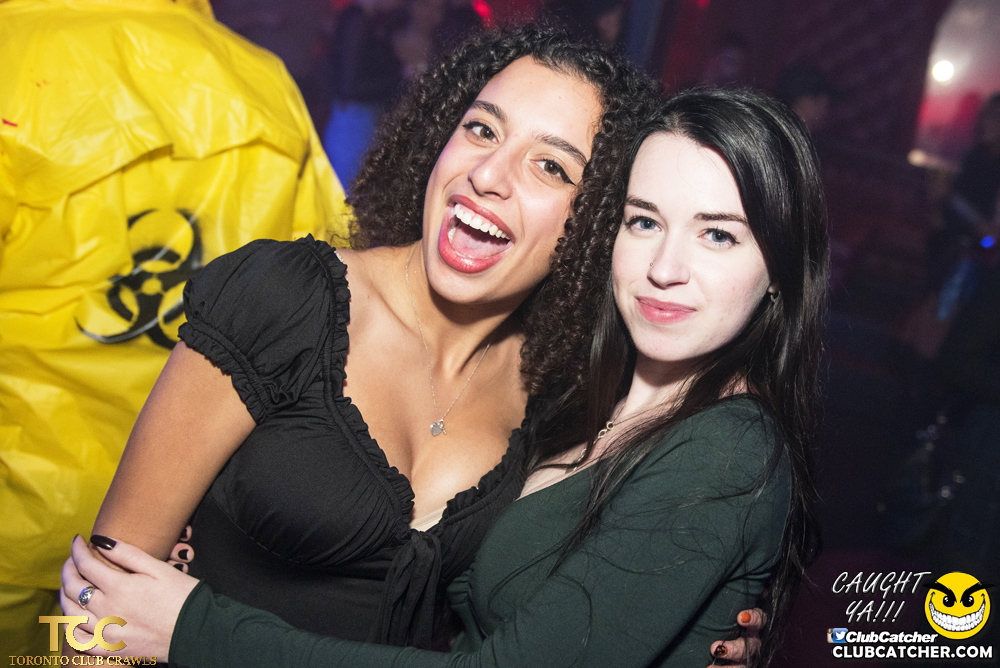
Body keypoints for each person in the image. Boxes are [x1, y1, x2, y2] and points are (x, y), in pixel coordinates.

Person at [63, 87, 828, 667]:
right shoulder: (573, 397)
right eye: (644, 220)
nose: (665, 266)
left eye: (718, 235)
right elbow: (97, 604)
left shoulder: (718, 448)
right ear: (609, 232)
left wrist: (196, 629)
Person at [83, 23, 673, 653]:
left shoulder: (556, 392)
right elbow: (99, 602)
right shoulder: (285, 300)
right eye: (482, 130)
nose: (488, 174)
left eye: (551, 166)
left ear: (597, 222)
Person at [0, 0, 349, 657]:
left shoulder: (14, 59)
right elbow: (324, 281)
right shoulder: (260, 79)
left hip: (15, 515)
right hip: (171, 527)